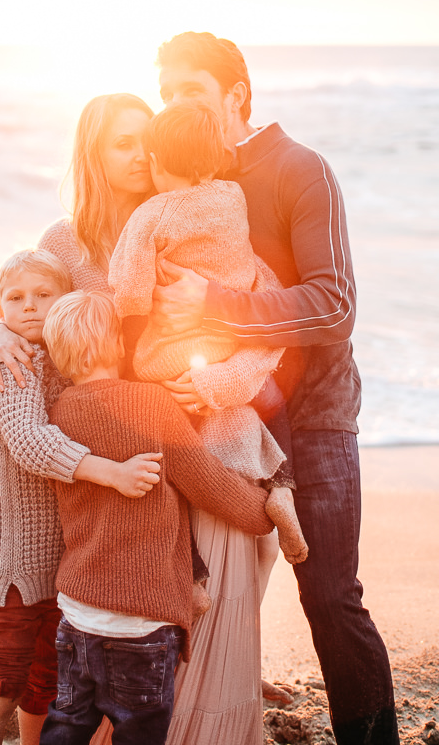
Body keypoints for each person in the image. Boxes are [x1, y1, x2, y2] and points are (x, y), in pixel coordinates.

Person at [0, 92, 286, 743]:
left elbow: (258, 303)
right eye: (122, 144)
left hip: (186, 418)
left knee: (220, 560)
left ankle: (223, 684)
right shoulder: (63, 242)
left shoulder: (190, 218)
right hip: (110, 437)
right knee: (117, 597)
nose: (140, 155)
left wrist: (220, 377)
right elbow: (32, 308)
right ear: (92, 156)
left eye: (146, 141)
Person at [151, 32, 399, 745]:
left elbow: (334, 306)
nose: (175, 106)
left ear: (237, 95)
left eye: (190, 91)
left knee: (329, 594)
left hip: (313, 414)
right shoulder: (182, 176)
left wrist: (215, 304)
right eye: (166, 94)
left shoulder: (300, 169)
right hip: (221, 416)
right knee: (201, 589)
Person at [39, 289, 275, 745]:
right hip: (142, 622)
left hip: (77, 613)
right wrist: (263, 512)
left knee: (67, 725)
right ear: (118, 344)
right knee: (140, 732)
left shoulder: (59, 412)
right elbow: (207, 482)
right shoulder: (150, 403)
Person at [0, 248, 162, 745]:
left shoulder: (64, 361)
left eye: (43, 295)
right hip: (9, 555)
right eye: (15, 299)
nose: (29, 306)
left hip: (63, 558)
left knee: (46, 686)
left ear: (66, 301)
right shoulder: (11, 362)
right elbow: (29, 441)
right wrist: (112, 474)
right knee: (2, 685)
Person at [108, 102, 308, 566]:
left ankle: (194, 571)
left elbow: (129, 292)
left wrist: (130, 309)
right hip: (230, 342)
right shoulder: (233, 197)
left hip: (174, 363)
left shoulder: (152, 212)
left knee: (172, 467)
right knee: (271, 400)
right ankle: (282, 485)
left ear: (156, 161)